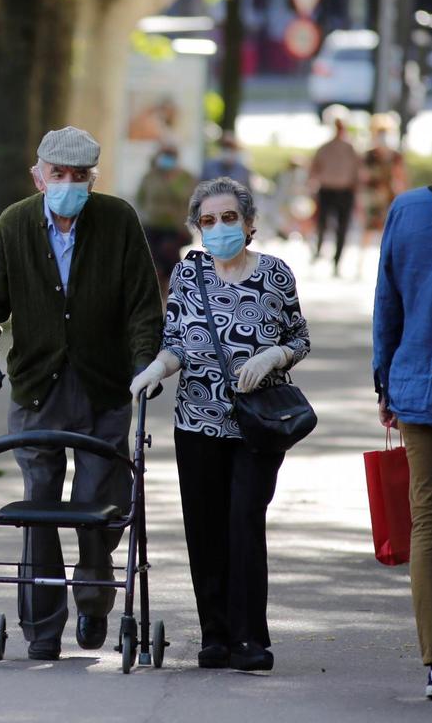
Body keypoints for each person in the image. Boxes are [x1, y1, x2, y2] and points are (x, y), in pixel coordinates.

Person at [0, 126, 163, 661]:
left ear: (93, 179)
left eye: (80, 177)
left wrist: (145, 364)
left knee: (100, 504)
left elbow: (144, 306)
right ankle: (42, 628)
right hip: (36, 388)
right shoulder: (15, 224)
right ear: (39, 176)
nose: (69, 185)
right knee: (39, 506)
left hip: (104, 385)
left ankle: (95, 597)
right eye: (59, 175)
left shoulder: (117, 220)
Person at [131, 177, 310, 673]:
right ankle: (215, 635)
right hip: (197, 422)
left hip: (257, 426)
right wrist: (153, 370)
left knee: (244, 522)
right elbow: (175, 343)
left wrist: (275, 353)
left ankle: (251, 638)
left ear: (249, 224)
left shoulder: (275, 275)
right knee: (205, 528)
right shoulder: (189, 277)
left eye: (228, 218)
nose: (219, 228)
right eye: (208, 221)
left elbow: (299, 337)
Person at [372, 101, 432, 701]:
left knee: (430, 528)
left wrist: (386, 382)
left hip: (423, 390)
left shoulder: (409, 210)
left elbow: (389, 301)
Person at [135, 142, 196, 302]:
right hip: (151, 225)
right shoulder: (150, 176)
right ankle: (155, 295)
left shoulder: (185, 177)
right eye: (164, 155)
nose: (166, 159)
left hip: (174, 227)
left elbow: (187, 198)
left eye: (170, 156)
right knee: (152, 262)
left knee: (169, 259)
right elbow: (140, 198)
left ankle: (174, 295)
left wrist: (171, 179)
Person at [308, 108, 362, 276]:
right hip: (327, 190)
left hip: (345, 191)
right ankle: (318, 251)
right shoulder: (324, 148)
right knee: (322, 224)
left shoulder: (351, 148)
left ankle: (337, 261)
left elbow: (358, 172)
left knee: (342, 228)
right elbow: (314, 169)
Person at [361, 113, 406, 248]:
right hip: (373, 195)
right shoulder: (369, 155)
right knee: (369, 227)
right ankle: (361, 258)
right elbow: (363, 176)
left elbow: (401, 176)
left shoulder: (395, 155)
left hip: (390, 194)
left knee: (390, 227)